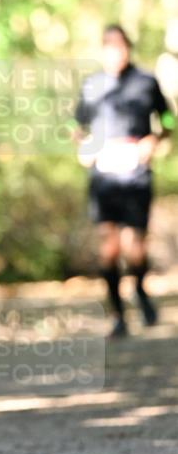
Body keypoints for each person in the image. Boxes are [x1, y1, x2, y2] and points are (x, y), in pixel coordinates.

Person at [74, 25, 173, 338]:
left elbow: (168, 118)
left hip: (136, 173)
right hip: (103, 175)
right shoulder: (92, 85)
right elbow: (74, 122)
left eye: (120, 46)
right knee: (109, 247)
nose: (115, 52)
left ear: (129, 47)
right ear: (102, 50)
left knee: (135, 246)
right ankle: (117, 313)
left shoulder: (146, 82)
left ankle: (141, 291)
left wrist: (154, 140)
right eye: (109, 46)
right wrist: (83, 146)